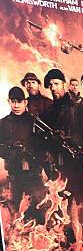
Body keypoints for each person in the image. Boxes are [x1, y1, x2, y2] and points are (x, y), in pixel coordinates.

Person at [0, 87, 44, 217]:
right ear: (9, 102)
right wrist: (11, 152)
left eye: (19, 101)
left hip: (35, 176)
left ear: (25, 102)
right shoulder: (3, 123)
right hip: (15, 177)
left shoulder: (35, 122)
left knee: (40, 214)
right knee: (16, 215)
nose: (16, 105)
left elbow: (44, 147)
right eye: (13, 101)